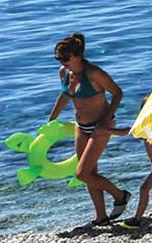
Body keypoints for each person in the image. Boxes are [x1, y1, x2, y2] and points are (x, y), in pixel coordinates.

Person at [47, 34, 131, 225]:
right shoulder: (64, 73)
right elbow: (64, 96)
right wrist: (51, 120)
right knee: (90, 173)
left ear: (77, 55)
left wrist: (106, 120)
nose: (62, 62)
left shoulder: (94, 73)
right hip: (81, 126)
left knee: (82, 173)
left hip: (101, 126)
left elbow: (117, 93)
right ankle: (101, 216)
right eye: (58, 58)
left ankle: (120, 195)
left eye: (65, 58)